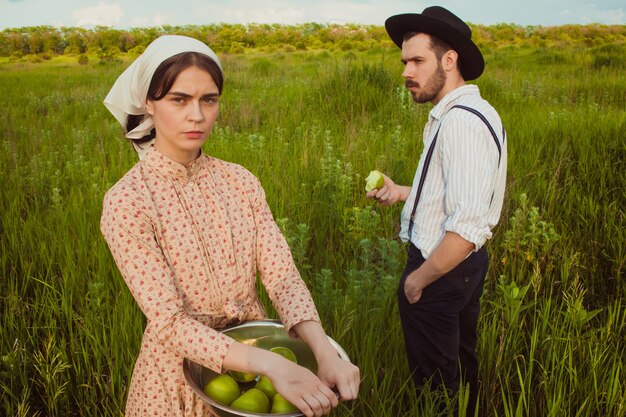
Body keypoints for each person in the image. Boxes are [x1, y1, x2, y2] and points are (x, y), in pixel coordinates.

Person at [101, 35, 359, 417]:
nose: (197, 115)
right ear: (148, 104)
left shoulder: (240, 181)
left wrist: (325, 352)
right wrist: (273, 365)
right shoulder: (128, 201)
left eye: (209, 99)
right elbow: (169, 324)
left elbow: (282, 276)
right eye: (179, 99)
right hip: (177, 381)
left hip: (256, 373)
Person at [367, 6, 507, 416]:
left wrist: (417, 282)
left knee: (434, 386)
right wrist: (404, 192)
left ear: (449, 60)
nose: (406, 72)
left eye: (417, 61)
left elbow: (464, 226)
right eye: (404, 62)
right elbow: (461, 194)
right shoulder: (474, 112)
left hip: (441, 265)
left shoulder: (460, 122)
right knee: (461, 365)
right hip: (464, 264)